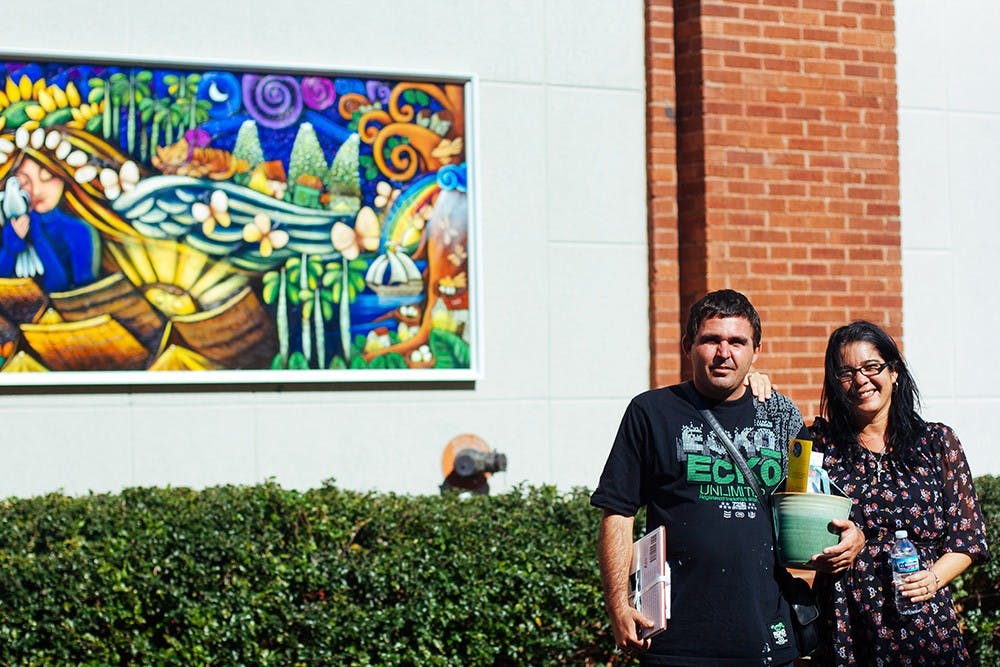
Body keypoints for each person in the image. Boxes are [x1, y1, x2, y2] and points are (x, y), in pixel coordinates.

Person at [591, 289, 864, 666]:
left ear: (756, 351)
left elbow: (808, 503)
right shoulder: (650, 412)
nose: (724, 353)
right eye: (711, 340)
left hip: (766, 637)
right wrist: (618, 605)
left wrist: (851, 537)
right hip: (674, 643)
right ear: (688, 345)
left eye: (737, 342)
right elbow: (616, 513)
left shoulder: (781, 414)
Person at [807, 321, 988, 665]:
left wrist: (932, 580)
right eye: (846, 373)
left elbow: (968, 537)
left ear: (894, 373)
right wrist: (756, 381)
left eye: (871, 367)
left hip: (923, 617)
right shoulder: (820, 447)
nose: (860, 380)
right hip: (847, 620)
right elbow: (796, 528)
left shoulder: (936, 442)